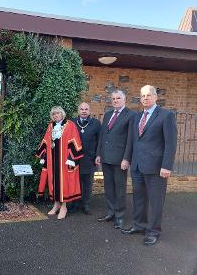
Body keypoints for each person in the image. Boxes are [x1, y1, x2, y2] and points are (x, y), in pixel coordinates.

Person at [121, 85, 177, 246]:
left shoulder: (166, 116)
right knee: (139, 198)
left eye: (148, 95)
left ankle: (153, 231)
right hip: (138, 166)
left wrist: (167, 166)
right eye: (142, 96)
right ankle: (139, 225)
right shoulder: (137, 117)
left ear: (155, 97)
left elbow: (170, 143)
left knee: (155, 201)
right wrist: (127, 159)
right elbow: (133, 141)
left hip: (156, 167)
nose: (145, 98)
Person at [95, 90, 135, 229]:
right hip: (106, 157)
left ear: (124, 100)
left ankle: (119, 216)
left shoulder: (131, 115)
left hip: (120, 160)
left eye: (118, 98)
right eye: (113, 98)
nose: (115, 100)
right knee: (109, 187)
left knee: (119, 188)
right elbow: (103, 135)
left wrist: (126, 158)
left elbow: (131, 139)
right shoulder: (107, 115)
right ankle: (110, 212)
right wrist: (98, 154)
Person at [36, 106, 83, 220]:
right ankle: (56, 204)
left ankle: (64, 206)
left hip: (64, 160)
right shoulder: (51, 126)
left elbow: (75, 141)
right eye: (53, 114)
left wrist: (71, 158)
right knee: (53, 182)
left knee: (64, 183)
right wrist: (43, 155)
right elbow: (46, 141)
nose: (55, 115)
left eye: (57, 113)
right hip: (53, 160)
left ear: (62, 114)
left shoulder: (70, 125)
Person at [71, 102, 101, 215]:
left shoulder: (96, 123)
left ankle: (86, 204)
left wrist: (98, 155)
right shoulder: (72, 122)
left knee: (88, 183)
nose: (84, 111)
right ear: (78, 111)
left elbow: (100, 141)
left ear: (89, 111)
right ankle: (74, 203)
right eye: (81, 109)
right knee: (75, 182)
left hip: (90, 158)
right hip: (75, 159)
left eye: (86, 109)